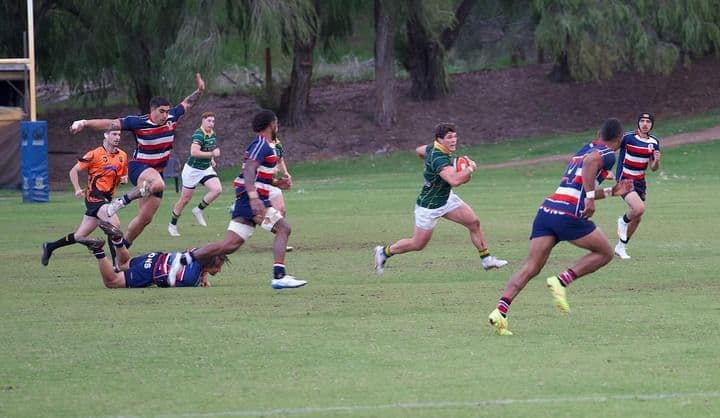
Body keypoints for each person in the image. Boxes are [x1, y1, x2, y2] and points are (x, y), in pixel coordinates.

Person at [487, 118, 634, 336]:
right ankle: (561, 280)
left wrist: (613, 192)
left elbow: (582, 188)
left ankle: (500, 311)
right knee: (605, 252)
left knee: (531, 267)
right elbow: (590, 170)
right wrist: (592, 198)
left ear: (598, 132)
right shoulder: (605, 154)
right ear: (620, 139)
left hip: (547, 210)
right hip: (567, 214)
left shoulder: (585, 149)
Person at [167, 109, 307, 290]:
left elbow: (258, 176)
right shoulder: (261, 144)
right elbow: (249, 169)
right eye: (276, 123)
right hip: (251, 200)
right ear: (271, 124)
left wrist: (279, 184)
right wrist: (254, 197)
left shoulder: (263, 146)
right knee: (283, 228)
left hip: (246, 200)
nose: (277, 126)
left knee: (229, 245)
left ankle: (184, 259)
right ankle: (279, 276)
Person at [69, 73, 205, 246]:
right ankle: (120, 202)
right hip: (138, 168)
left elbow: (188, 103)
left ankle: (122, 246)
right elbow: (110, 123)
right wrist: (85, 123)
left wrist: (199, 90)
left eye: (167, 111)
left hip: (157, 173)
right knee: (159, 184)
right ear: (152, 110)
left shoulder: (172, 118)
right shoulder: (138, 122)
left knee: (145, 219)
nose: (165, 115)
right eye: (161, 112)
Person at [373, 122, 508, 274]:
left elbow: (419, 151)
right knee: (418, 244)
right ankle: (384, 252)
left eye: (455, 136)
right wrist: (470, 168)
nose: (454, 140)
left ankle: (486, 259)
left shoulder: (433, 148)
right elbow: (455, 181)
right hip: (429, 207)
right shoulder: (438, 158)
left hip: (446, 199)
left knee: (474, 222)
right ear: (440, 139)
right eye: (449, 137)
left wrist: (430, 160)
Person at [41, 129, 149, 266]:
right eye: (114, 134)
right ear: (105, 135)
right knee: (114, 225)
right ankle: (117, 265)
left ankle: (50, 247)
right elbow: (73, 171)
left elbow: (123, 176)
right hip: (94, 198)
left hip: (107, 199)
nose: (117, 137)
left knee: (79, 236)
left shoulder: (122, 155)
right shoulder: (94, 154)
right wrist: (77, 189)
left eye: (119, 135)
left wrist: (124, 179)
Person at [78, 221, 228, 288]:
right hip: (150, 272)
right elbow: (170, 283)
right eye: (217, 267)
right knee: (112, 282)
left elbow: (197, 253)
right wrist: (202, 280)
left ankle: (118, 240)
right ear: (208, 263)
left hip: (155, 257)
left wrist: (204, 274)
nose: (219, 270)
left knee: (123, 264)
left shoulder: (197, 253)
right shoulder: (192, 279)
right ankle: (98, 250)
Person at [614, 112, 661, 259]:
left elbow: (653, 168)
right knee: (639, 208)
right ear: (638, 123)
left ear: (651, 124)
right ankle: (622, 221)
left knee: (638, 216)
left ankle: (621, 247)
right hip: (625, 179)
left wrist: (657, 161)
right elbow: (611, 149)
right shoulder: (627, 138)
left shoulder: (654, 142)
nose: (645, 123)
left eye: (648, 121)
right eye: (642, 121)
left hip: (640, 181)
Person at [168, 111, 222, 236]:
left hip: (205, 169)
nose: (211, 123)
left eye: (213, 121)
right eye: (209, 120)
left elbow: (208, 149)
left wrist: (211, 159)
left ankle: (198, 210)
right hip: (192, 171)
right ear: (202, 120)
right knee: (185, 199)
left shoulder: (212, 133)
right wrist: (212, 154)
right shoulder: (198, 134)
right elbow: (194, 152)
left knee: (217, 189)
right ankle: (172, 225)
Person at [268, 135, 294, 251]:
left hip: (269, 184)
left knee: (282, 210)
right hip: (258, 184)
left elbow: (280, 160)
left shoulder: (277, 144)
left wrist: (286, 174)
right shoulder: (261, 145)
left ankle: (281, 242)